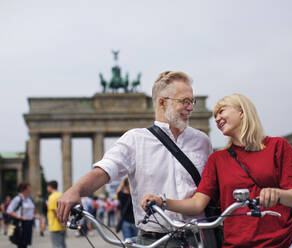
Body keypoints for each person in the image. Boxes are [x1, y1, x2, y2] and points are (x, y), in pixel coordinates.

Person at [57, 71, 213, 247]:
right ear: (162, 102)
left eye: (192, 101)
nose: (191, 107)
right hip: (154, 240)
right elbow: (105, 170)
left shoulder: (202, 141)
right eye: (184, 101)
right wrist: (75, 190)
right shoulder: (135, 140)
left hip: (199, 239)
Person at [142, 93, 292, 248]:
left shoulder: (278, 147)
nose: (217, 118)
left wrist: (278, 194)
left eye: (221, 111)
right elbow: (197, 203)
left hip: (282, 241)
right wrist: (163, 202)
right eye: (214, 116)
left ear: (241, 111)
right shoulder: (217, 159)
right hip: (236, 243)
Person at [7, 182, 35, 248]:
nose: (30, 190)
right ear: (24, 189)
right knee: (21, 243)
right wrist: (19, 217)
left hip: (28, 223)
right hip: (21, 223)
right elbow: (9, 210)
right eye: (29, 188)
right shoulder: (18, 198)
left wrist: (34, 216)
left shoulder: (29, 199)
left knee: (25, 243)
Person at [47, 180, 67, 248]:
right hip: (63, 225)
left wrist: (60, 221)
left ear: (50, 187)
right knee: (63, 244)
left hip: (55, 225)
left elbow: (55, 211)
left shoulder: (52, 197)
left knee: (56, 245)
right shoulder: (62, 195)